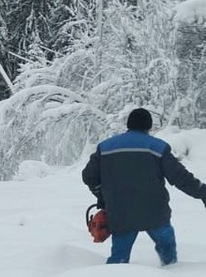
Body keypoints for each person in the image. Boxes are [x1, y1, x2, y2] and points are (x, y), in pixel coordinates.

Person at [82, 107, 206, 265]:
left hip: (120, 212)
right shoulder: (158, 147)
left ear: (128, 125)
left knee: (118, 259)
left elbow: (88, 176)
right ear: (148, 126)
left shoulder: (105, 147)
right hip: (154, 212)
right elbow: (180, 177)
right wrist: (202, 191)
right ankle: (172, 274)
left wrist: (101, 195)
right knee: (168, 251)